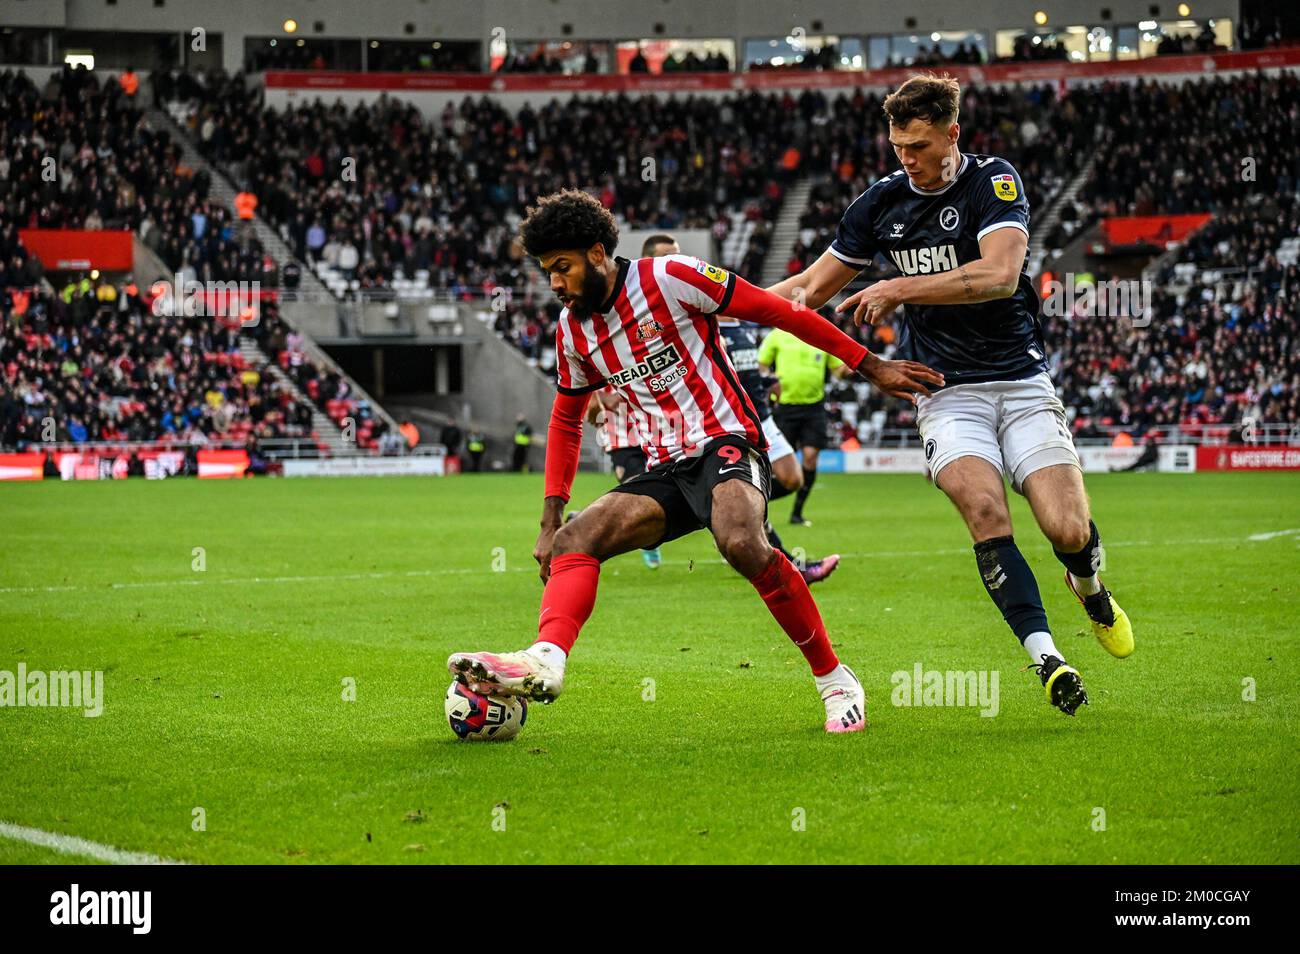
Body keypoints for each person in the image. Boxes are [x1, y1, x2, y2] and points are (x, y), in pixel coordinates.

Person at [447, 189, 940, 733]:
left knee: (738, 538)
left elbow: (780, 310)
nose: (555, 285)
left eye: (562, 268)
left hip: (726, 441)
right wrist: (549, 520)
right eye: (547, 273)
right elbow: (566, 421)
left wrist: (868, 364)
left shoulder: (672, 277)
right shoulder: (572, 332)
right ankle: (546, 659)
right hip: (664, 470)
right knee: (573, 541)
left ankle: (834, 678)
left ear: (596, 252)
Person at [767, 74, 1134, 716]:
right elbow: (809, 288)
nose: (906, 158)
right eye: (898, 146)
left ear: (952, 134)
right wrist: (719, 302)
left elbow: (999, 276)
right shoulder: (880, 203)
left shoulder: (994, 181)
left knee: (1067, 527)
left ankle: (1090, 586)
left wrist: (898, 288)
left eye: (919, 145)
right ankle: (1047, 657)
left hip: (1020, 383)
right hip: (946, 393)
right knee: (987, 516)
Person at [641, 233, 840, 583]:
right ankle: (788, 564)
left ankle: (725, 510)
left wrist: (767, 383)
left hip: (761, 411)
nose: (678, 259)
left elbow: (747, 360)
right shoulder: (691, 320)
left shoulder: (730, 311)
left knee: (791, 478)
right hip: (728, 419)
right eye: (667, 255)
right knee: (745, 495)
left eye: (678, 253)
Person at [758, 320, 854, 526]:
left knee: (810, 458)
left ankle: (797, 513)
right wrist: (769, 377)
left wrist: (857, 361)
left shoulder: (821, 333)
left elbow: (839, 371)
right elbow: (761, 363)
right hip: (785, 407)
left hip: (814, 408)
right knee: (778, 467)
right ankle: (756, 506)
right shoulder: (778, 334)